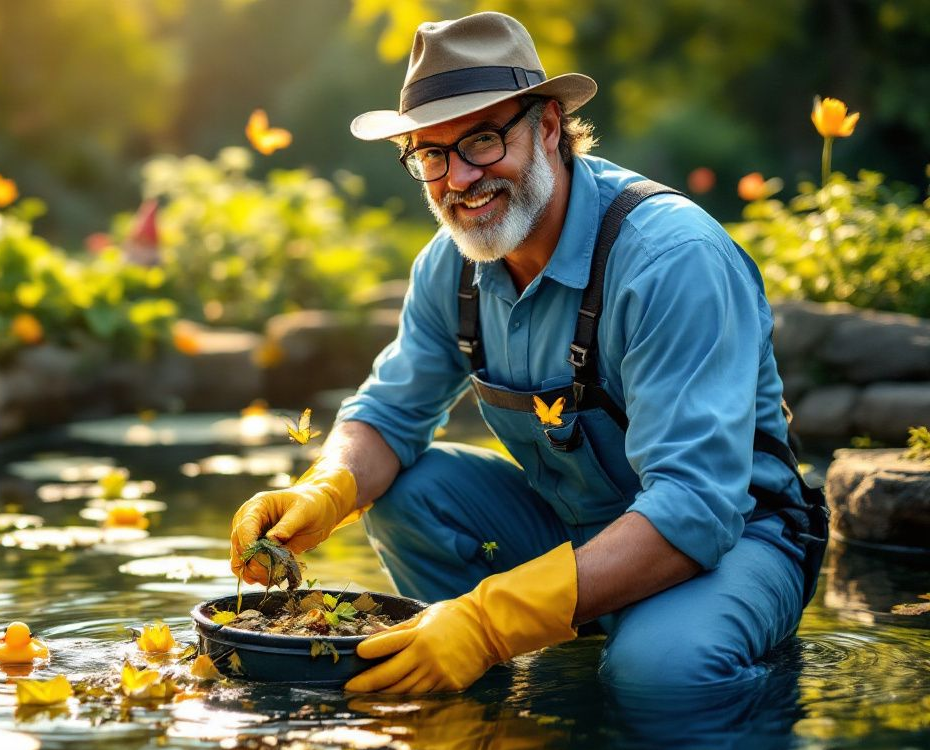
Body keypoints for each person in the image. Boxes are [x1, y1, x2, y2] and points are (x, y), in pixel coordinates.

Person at [229, 11, 827, 695]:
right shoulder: (448, 269)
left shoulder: (670, 260)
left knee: (660, 672)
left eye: (481, 141)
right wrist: (323, 489)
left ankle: (674, 644)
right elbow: (389, 417)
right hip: (573, 530)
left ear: (547, 126)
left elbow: (695, 508)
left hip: (734, 539)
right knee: (407, 494)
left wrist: (489, 620)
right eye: (431, 155)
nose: (458, 178)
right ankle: (485, 701)